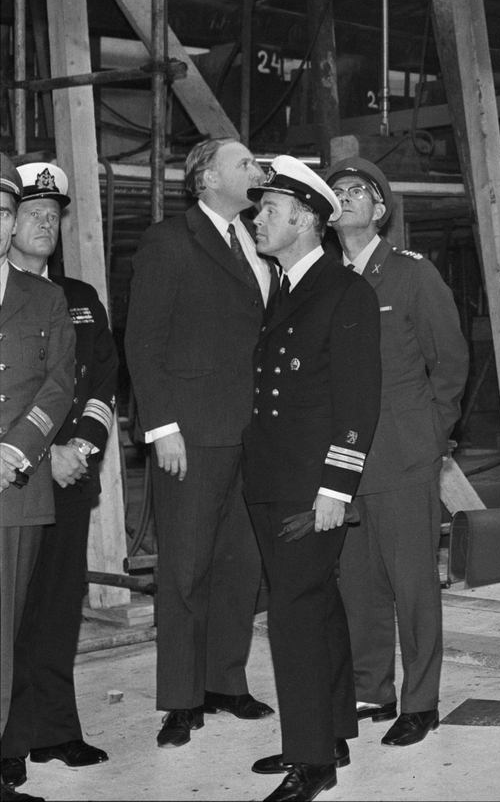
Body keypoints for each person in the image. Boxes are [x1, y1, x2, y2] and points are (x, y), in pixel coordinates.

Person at [124, 138, 275, 748]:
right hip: (191, 434)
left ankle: (224, 682)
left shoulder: (260, 241)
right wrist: (162, 428)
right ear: (206, 178)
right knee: (185, 570)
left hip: (253, 433)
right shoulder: (169, 241)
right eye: (245, 164)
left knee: (241, 566)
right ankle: (183, 699)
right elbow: (143, 340)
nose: (257, 170)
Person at [244, 156, 381, 802]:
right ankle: (330, 733)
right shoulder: (284, 286)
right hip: (273, 477)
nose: (258, 219)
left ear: (305, 220)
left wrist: (336, 489)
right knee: (316, 604)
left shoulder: (344, 290)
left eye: (269, 210)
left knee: (294, 614)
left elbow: (359, 401)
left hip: (310, 487)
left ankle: (311, 761)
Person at [325, 157, 468, 750]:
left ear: (380, 209)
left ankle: (421, 701)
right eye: (335, 190)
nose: (344, 197)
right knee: (358, 582)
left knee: (413, 585)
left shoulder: (411, 274)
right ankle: (372, 688)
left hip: (404, 453)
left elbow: (450, 362)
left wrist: (431, 435)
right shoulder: (325, 279)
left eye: (357, 190)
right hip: (346, 459)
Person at [3, 164, 118, 788]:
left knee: (56, 609)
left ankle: (54, 729)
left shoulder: (78, 297)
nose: (45, 224)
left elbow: (101, 381)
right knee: (11, 613)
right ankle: (10, 740)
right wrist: (47, 455)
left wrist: (84, 447)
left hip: (72, 475)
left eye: (54, 216)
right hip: (22, 475)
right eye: (32, 214)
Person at [0, 154, 75, 802]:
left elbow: (59, 386)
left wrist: (14, 452)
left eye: (4, 213)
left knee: (4, 636)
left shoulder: (49, 298)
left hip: (15, 489)